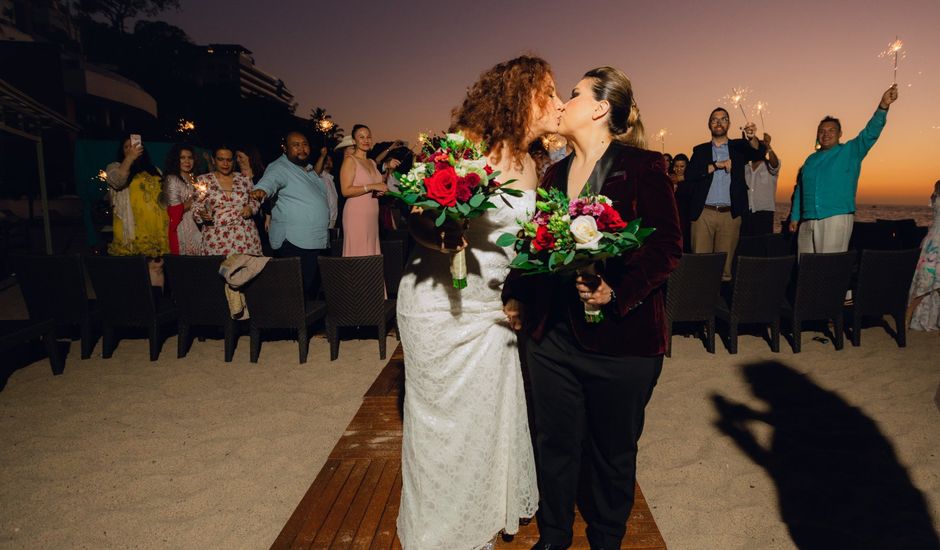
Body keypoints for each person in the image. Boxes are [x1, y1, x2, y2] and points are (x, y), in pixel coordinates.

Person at [502, 66, 681, 550]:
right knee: (555, 444)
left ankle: (606, 539)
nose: (563, 104)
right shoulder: (554, 173)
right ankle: (555, 536)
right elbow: (534, 243)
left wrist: (616, 293)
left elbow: (667, 246)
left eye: (575, 95)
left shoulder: (644, 167)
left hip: (623, 343)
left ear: (602, 108)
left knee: (612, 453)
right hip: (553, 337)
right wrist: (514, 292)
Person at [396, 55, 563, 550]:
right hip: (437, 304)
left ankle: (479, 523)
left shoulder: (533, 164)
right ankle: (438, 536)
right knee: (440, 431)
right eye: (548, 92)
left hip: (491, 311)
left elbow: (521, 248)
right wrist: (439, 238)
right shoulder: (466, 144)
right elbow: (417, 215)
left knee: (484, 425)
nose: (556, 102)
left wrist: (521, 295)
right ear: (518, 95)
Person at [789, 85, 899, 253]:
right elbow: (800, 190)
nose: (826, 134)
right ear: (817, 135)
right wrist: (795, 217)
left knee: (829, 269)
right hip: (807, 221)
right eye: (821, 131)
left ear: (840, 134)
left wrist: (883, 106)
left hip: (836, 218)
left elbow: (870, 133)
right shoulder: (810, 160)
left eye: (831, 130)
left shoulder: (850, 151)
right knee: (805, 269)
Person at [685, 108, 765, 280]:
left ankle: (718, 303)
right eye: (714, 119)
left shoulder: (738, 148)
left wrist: (752, 138)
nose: (719, 122)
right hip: (703, 215)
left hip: (730, 215)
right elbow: (689, 176)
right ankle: (699, 304)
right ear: (709, 125)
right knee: (700, 266)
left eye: (723, 119)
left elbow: (758, 152)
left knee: (725, 269)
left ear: (729, 124)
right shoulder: (700, 151)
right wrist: (715, 165)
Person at [251, 131, 330, 297]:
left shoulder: (308, 169)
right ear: (285, 148)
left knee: (310, 293)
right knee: (295, 294)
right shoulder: (280, 167)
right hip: (295, 243)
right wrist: (261, 190)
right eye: (296, 145)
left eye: (305, 144)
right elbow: (271, 180)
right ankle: (294, 323)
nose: (302, 148)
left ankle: (310, 322)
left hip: (314, 241)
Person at [105, 137, 170, 258]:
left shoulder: (155, 170)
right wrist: (130, 158)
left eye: (134, 145)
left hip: (157, 228)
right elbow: (117, 181)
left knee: (157, 267)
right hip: (133, 230)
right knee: (136, 268)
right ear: (122, 151)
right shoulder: (114, 167)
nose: (131, 149)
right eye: (127, 147)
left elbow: (163, 200)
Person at [193, 145, 261, 256]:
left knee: (246, 271)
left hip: (245, 235)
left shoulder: (244, 179)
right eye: (221, 159)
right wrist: (202, 214)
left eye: (229, 160)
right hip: (216, 237)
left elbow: (255, 201)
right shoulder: (203, 180)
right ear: (213, 160)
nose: (225, 164)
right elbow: (196, 207)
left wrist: (250, 208)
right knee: (217, 271)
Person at [340, 124, 385, 257]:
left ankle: (371, 278)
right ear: (354, 141)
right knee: (358, 254)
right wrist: (372, 187)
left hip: (372, 213)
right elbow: (345, 191)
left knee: (371, 252)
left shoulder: (371, 162)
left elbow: (374, 186)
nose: (366, 140)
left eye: (368, 137)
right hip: (356, 214)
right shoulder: (350, 160)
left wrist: (379, 191)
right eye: (361, 137)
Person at [907, 180, 940, 331]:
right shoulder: (937, 191)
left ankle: (925, 318)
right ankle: (911, 317)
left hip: (933, 240)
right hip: (935, 243)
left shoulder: (936, 192)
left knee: (929, 283)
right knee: (925, 284)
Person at [164, 144, 204, 256]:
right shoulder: (172, 179)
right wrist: (195, 198)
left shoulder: (197, 179)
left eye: (190, 158)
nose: (187, 161)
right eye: (182, 157)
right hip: (182, 227)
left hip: (200, 226)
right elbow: (174, 211)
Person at [742, 136, 781, 236]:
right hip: (745, 214)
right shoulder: (745, 167)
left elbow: (775, 164)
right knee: (744, 247)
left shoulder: (770, 165)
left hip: (764, 214)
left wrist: (769, 147)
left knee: (763, 247)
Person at [672, 153, 692, 251]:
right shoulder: (667, 181)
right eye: (676, 166)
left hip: (686, 220)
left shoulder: (691, 182)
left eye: (682, 166)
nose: (679, 169)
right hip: (672, 221)